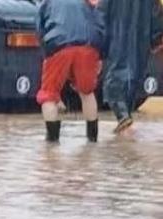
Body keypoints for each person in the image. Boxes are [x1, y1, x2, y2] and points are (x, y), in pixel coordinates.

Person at [36, 0, 105, 142]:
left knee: (48, 95)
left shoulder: (47, 2)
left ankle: (52, 143)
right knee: (87, 92)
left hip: (58, 43)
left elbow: (39, 29)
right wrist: (100, 55)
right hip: (88, 44)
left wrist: (46, 53)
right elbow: (100, 24)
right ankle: (92, 140)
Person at [99, 0, 163, 133]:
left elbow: (101, 15)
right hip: (141, 41)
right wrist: (156, 38)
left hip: (118, 39)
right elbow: (156, 16)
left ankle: (123, 118)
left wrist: (100, 43)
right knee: (133, 81)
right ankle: (126, 120)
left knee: (114, 84)